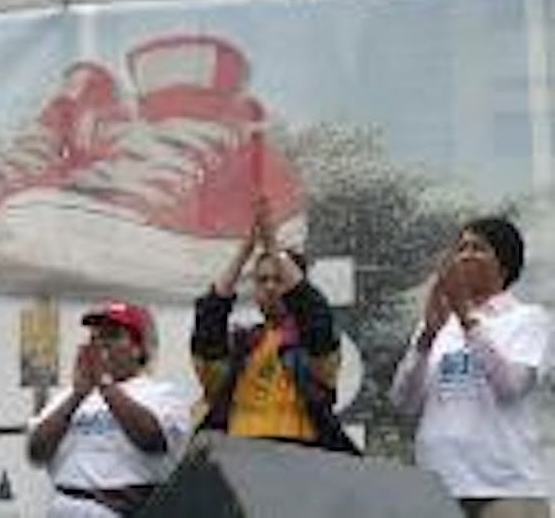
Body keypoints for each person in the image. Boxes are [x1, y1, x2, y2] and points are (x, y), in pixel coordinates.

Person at [390, 217, 553, 518]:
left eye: (478, 248)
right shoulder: (438, 323)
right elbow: (403, 402)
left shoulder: (527, 319)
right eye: (461, 248)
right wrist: (426, 338)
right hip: (438, 483)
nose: (464, 256)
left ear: (504, 265)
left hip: (505, 488)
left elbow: (511, 386)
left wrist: (466, 319)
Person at [190, 197, 358, 454]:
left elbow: (314, 315)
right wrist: (244, 252)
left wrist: (272, 246)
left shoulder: (313, 346)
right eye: (262, 280)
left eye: (278, 279)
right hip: (238, 462)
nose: (269, 287)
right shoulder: (243, 346)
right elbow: (207, 333)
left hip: (296, 463)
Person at [27, 300, 189, 517]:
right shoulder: (66, 396)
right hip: (65, 506)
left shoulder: (161, 394)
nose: (100, 345)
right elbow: (36, 453)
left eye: (112, 336)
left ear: (138, 348)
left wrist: (105, 385)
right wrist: (77, 396)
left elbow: (153, 440)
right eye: (95, 338)